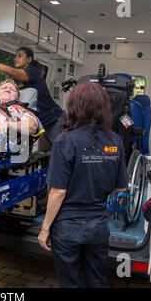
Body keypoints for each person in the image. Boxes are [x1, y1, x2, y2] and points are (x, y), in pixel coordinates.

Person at [37, 82, 127, 288]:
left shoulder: (64, 141)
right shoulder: (115, 141)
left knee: (70, 282)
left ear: (74, 107)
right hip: (98, 226)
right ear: (103, 107)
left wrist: (45, 229)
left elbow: (58, 192)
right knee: (96, 281)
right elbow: (121, 187)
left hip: (67, 226)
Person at [0, 47, 65, 145]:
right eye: (15, 56)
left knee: (58, 151)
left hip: (54, 119)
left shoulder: (32, 71)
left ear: (29, 59)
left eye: (20, 56)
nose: (15, 58)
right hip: (44, 122)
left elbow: (12, 72)